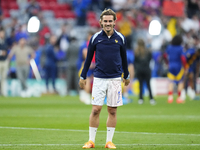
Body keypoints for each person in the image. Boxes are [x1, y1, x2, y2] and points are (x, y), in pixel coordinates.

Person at [79, 8, 130, 149]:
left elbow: (124, 59)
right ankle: (91, 141)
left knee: (112, 111)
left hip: (115, 80)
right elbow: (88, 59)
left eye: (110, 21)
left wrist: (126, 75)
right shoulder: (95, 38)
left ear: (114, 22)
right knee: (96, 109)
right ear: (101, 22)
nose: (108, 23)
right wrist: (83, 76)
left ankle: (109, 141)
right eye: (105, 21)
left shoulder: (120, 38)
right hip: (99, 79)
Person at [164, 35, 187, 103]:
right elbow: (183, 58)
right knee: (180, 81)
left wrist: (167, 63)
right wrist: (185, 66)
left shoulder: (169, 47)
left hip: (171, 66)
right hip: (179, 66)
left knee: (171, 81)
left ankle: (170, 98)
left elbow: (165, 55)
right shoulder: (181, 48)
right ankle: (179, 98)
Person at [134, 39, 156, 105]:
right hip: (146, 69)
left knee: (140, 85)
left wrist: (137, 69)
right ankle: (151, 99)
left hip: (139, 70)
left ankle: (141, 99)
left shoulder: (136, 52)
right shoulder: (148, 51)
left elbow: (135, 62)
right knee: (148, 84)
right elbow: (150, 60)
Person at [0, 28, 9, 96]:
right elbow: (3, 52)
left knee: (4, 78)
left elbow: (6, 51)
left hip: (4, 61)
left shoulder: (4, 41)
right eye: (1, 33)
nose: (2, 34)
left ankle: (3, 92)